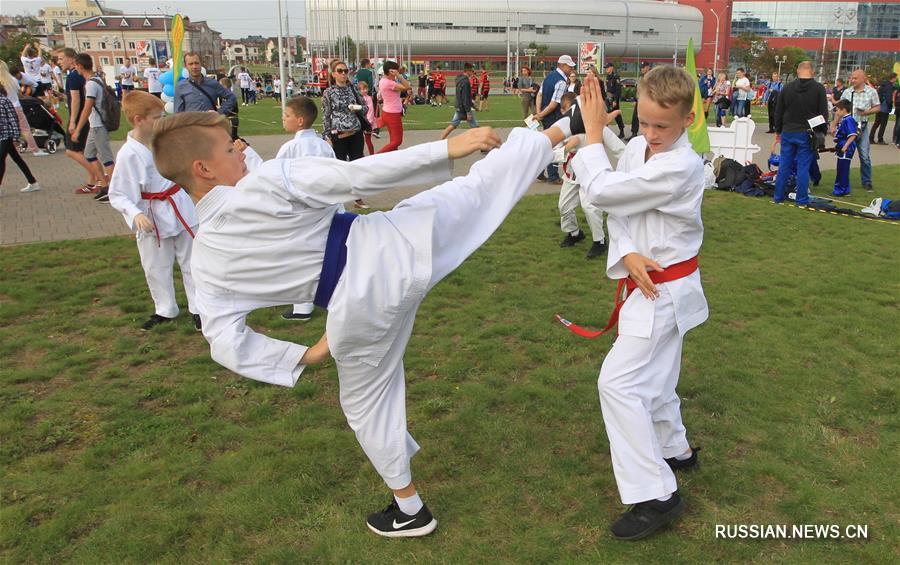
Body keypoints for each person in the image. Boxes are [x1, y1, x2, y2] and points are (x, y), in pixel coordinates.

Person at [150, 108, 571, 537]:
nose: (240, 150)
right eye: (228, 148)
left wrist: (305, 356)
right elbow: (357, 178)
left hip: (358, 308)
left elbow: (221, 338)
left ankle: (410, 509)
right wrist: (447, 147)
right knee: (477, 190)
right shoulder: (264, 181)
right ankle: (565, 126)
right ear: (203, 169)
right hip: (395, 245)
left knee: (368, 406)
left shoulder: (206, 261)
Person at [567, 66, 707, 541]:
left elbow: (604, 190)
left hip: (664, 291)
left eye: (661, 126)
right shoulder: (637, 147)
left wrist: (590, 136)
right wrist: (626, 251)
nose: (650, 133)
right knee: (659, 374)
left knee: (619, 385)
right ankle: (676, 450)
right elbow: (618, 207)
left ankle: (656, 494)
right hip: (649, 283)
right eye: (643, 122)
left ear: (688, 119)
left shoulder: (683, 166)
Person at [108, 91, 200, 331]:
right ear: (139, 120)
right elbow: (118, 193)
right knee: (156, 265)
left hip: (180, 206)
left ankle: (199, 308)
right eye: (157, 117)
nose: (162, 121)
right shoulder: (128, 154)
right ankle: (165, 309)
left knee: (193, 262)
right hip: (151, 215)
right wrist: (135, 213)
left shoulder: (164, 140)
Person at [276, 95, 337, 322]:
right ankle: (331, 297)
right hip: (326, 208)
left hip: (301, 212)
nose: (283, 119)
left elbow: (278, 179)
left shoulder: (290, 148)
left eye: (287, 115)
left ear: (300, 121)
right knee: (326, 255)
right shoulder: (324, 146)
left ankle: (302, 306)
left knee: (299, 259)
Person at [556, 91, 624, 258]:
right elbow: (554, 150)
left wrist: (626, 172)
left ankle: (599, 241)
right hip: (572, 174)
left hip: (591, 174)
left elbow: (620, 150)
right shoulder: (565, 129)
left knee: (590, 207)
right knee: (564, 206)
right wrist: (565, 148)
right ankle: (574, 233)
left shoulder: (598, 127)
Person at [773, 61, 827, 206]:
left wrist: (778, 130)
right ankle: (801, 199)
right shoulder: (819, 89)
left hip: (788, 130)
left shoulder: (787, 88)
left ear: (797, 71)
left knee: (784, 165)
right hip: (807, 132)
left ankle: (778, 197)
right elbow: (823, 114)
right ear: (813, 72)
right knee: (803, 166)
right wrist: (822, 132)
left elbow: (778, 111)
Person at [322, 59, 369, 209]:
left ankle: (357, 197)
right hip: (339, 133)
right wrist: (326, 135)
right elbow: (326, 115)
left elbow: (365, 108)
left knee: (357, 164)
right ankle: (338, 198)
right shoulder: (328, 92)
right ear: (334, 74)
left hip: (355, 131)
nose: (343, 74)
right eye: (340, 71)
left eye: (345, 71)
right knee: (339, 166)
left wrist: (356, 107)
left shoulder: (353, 89)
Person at [73, 53, 116, 202]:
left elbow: (87, 107)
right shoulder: (97, 79)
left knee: (106, 158)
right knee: (89, 154)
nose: (75, 68)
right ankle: (104, 186)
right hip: (95, 126)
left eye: (75, 65)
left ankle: (115, 190)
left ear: (80, 65)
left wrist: (78, 129)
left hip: (98, 125)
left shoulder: (91, 83)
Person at [56, 48, 100, 190]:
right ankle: (92, 181)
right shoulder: (80, 75)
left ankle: (101, 177)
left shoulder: (73, 76)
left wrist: (73, 121)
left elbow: (76, 99)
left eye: (61, 58)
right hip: (86, 116)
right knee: (82, 151)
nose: (59, 62)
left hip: (80, 116)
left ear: (71, 59)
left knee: (71, 150)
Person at [533, 54, 576, 183]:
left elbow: (539, 95)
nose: (571, 70)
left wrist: (539, 112)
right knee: (554, 146)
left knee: (546, 145)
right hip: (554, 117)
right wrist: (541, 114)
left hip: (545, 117)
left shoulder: (548, 77)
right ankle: (553, 176)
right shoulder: (561, 81)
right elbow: (553, 104)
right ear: (562, 65)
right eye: (569, 67)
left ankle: (539, 171)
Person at [839, 69, 880, 191]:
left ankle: (867, 181)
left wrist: (867, 112)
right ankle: (842, 182)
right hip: (848, 127)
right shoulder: (847, 92)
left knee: (864, 155)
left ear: (863, 78)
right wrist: (834, 123)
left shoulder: (871, 92)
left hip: (862, 126)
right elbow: (840, 109)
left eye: (855, 78)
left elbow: (878, 107)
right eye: (852, 78)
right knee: (845, 154)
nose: (852, 80)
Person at [0, 61, 48, 157]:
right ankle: (35, 149)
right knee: (25, 129)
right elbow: (19, 94)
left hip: (3, 108)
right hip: (15, 106)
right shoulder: (12, 80)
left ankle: (12, 148)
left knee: (6, 130)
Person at [0, 84, 41, 193]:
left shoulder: (4, 101)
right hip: (2, 136)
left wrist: (15, 136)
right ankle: (32, 182)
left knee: (1, 158)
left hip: (7, 134)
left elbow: (13, 119)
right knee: (17, 159)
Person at [174, 52, 237, 121]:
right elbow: (178, 113)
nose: (194, 67)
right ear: (185, 66)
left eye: (196, 63)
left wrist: (220, 113)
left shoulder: (213, 83)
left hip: (210, 127)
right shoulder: (180, 87)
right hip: (192, 128)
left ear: (201, 64)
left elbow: (231, 97)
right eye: (190, 64)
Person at [376, 60, 410, 153]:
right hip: (392, 114)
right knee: (397, 141)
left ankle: (393, 158)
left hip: (388, 112)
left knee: (393, 141)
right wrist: (399, 76)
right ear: (391, 71)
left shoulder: (384, 80)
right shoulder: (389, 83)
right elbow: (407, 86)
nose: (398, 72)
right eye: (396, 70)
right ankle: (376, 156)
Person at [439, 62, 479, 140]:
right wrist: (468, 112)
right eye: (472, 71)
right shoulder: (465, 81)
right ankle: (482, 145)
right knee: (475, 127)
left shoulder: (460, 80)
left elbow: (464, 96)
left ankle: (440, 141)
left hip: (459, 106)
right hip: (463, 108)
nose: (473, 72)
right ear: (468, 71)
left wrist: (474, 106)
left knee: (453, 125)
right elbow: (465, 97)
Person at [831, 99, 858, 197]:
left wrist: (845, 146)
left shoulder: (848, 120)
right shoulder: (844, 120)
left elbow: (853, 135)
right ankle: (845, 189)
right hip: (841, 146)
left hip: (846, 148)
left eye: (838, 109)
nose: (836, 112)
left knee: (842, 169)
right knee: (842, 168)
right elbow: (833, 132)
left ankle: (840, 190)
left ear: (843, 110)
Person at [870, 73, 896, 145]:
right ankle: (880, 139)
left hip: (879, 106)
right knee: (883, 124)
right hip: (885, 107)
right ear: (893, 78)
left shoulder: (883, 85)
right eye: (895, 78)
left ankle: (871, 138)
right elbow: (888, 97)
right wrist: (890, 104)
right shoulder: (889, 86)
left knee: (876, 123)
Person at [631, 61, 651, 138]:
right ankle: (634, 133)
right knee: (635, 117)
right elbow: (637, 89)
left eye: (643, 67)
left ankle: (648, 134)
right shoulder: (640, 77)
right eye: (641, 68)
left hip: (648, 100)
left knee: (647, 118)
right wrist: (635, 100)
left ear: (648, 67)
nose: (642, 69)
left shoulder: (652, 77)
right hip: (639, 100)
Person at [358, 81, 376, 155]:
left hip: (367, 122)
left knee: (368, 140)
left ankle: (372, 154)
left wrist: (369, 121)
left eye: (365, 88)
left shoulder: (368, 98)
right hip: (360, 122)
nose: (364, 90)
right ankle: (360, 154)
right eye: (362, 89)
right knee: (359, 141)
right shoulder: (358, 98)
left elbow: (371, 110)